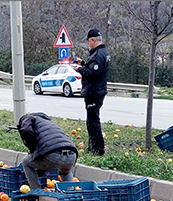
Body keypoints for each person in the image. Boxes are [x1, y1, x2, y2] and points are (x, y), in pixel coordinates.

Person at [16, 112, 78, 190]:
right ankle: (70, 195)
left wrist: (32, 149)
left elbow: (26, 130)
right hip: (72, 153)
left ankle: (37, 192)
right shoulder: (48, 121)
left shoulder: (27, 118)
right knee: (65, 171)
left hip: (52, 154)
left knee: (25, 162)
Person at [75, 28, 110, 156]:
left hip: (94, 92)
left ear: (93, 40)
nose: (88, 44)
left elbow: (93, 74)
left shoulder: (98, 55)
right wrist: (84, 64)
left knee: (93, 122)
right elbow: (94, 68)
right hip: (97, 91)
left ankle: (98, 149)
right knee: (91, 121)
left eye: (89, 41)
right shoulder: (102, 53)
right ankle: (92, 146)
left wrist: (80, 69)